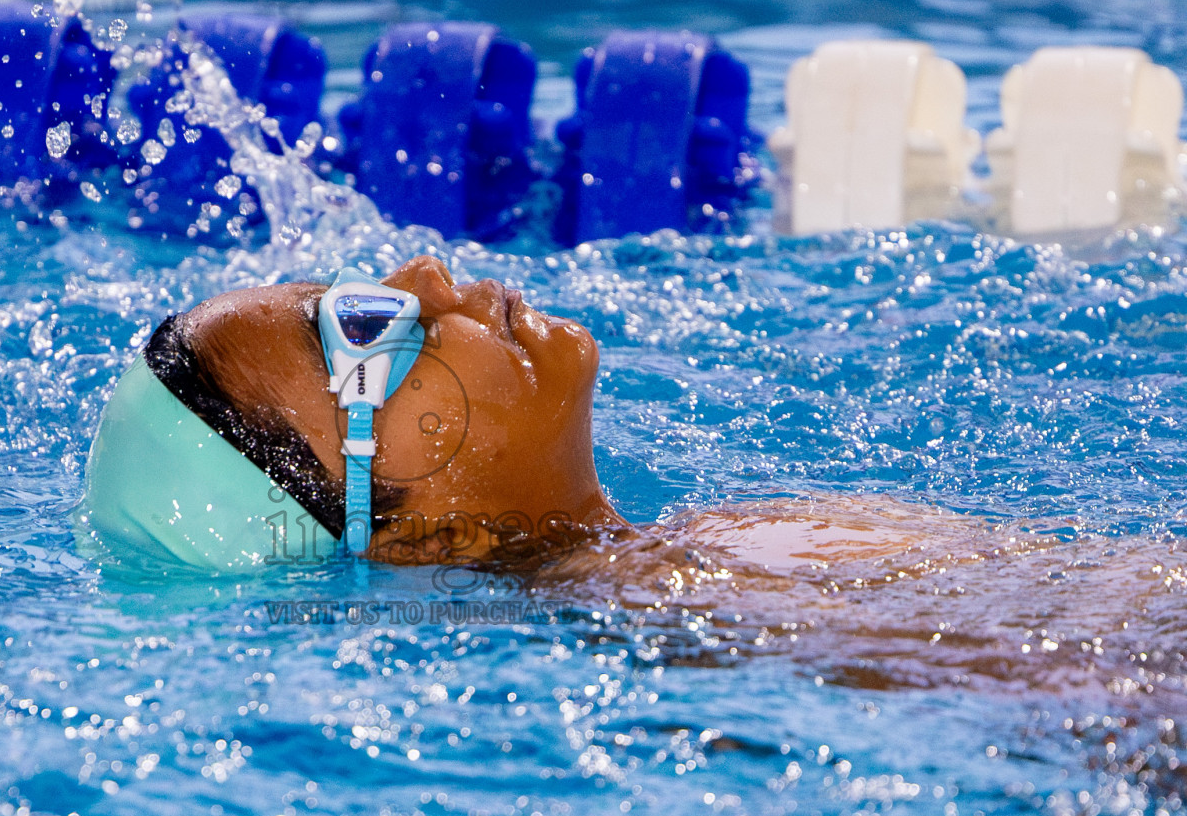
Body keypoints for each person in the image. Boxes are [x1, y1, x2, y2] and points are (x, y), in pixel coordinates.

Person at [84, 256, 1187, 694]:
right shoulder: (702, 608)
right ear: (421, 538)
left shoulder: (692, 553)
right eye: (366, 325)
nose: (424, 272)